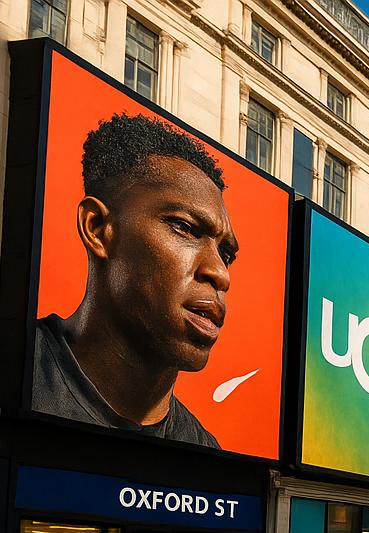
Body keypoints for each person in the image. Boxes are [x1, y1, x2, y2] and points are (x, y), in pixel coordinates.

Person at [32, 114, 234, 447]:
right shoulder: (5, 371)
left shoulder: (204, 449)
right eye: (185, 228)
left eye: (227, 255)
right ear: (97, 228)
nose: (220, 273)